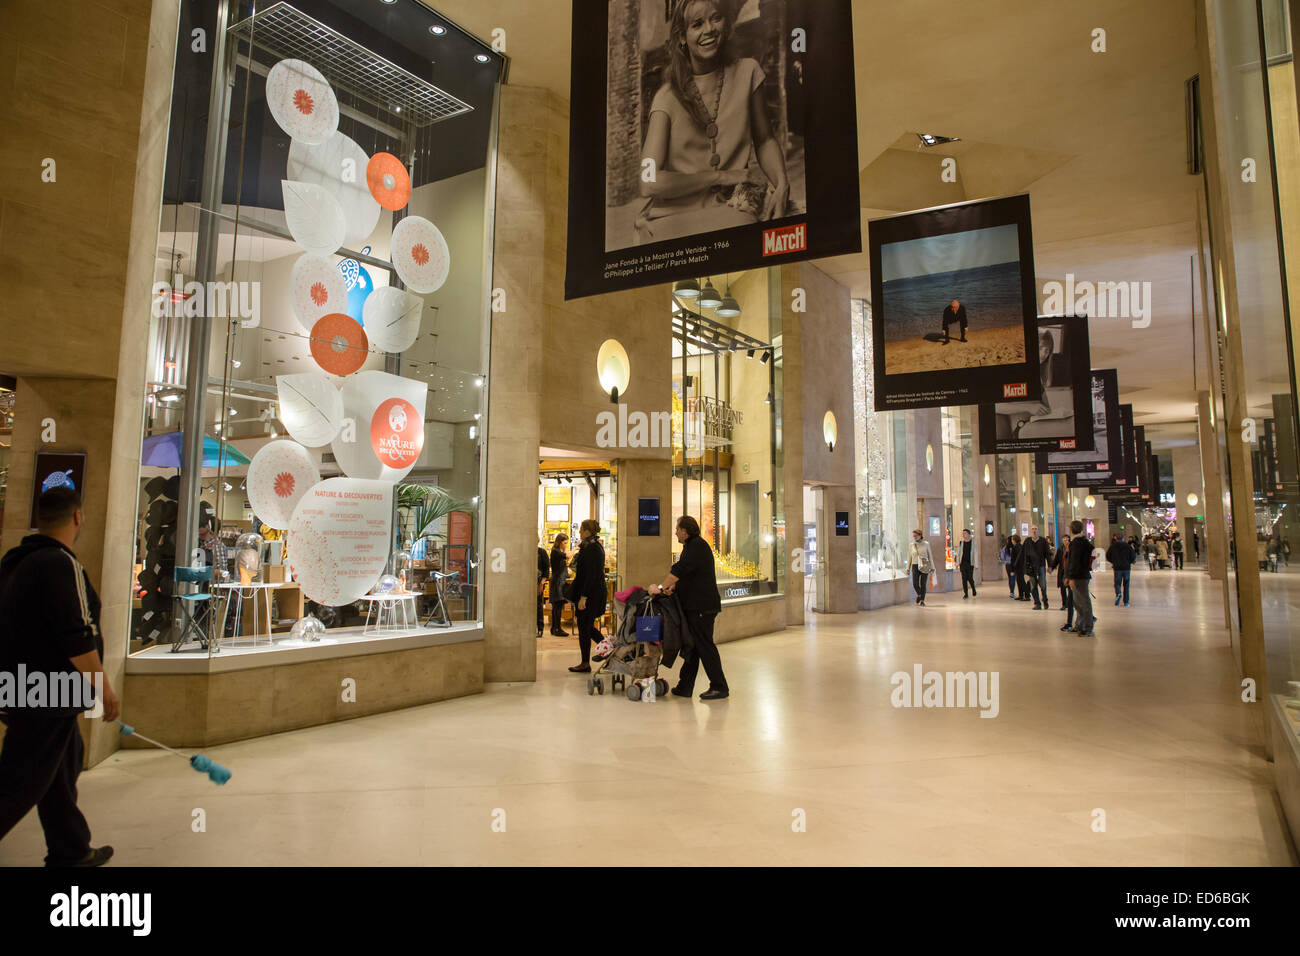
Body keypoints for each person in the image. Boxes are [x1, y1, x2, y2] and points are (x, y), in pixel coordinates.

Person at [0, 487, 119, 866]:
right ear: (77, 517)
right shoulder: (59, 563)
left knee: (63, 766)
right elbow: (77, 634)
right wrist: (104, 689)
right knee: (20, 782)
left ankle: (70, 849)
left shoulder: (16, 562)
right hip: (47, 694)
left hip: (27, 688)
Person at [635, 0, 790, 245]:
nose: (709, 29)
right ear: (682, 37)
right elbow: (648, 180)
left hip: (733, 206)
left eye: (715, 18)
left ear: (726, 23)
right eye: (697, 24)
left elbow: (765, 140)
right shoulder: (666, 97)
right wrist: (721, 177)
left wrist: (781, 184)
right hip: (673, 218)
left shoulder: (748, 72)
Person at [650, 515, 728, 700]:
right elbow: (689, 575)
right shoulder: (692, 547)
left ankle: (719, 686)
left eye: (677, 529)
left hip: (702, 607)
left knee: (704, 646)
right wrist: (673, 588)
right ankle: (685, 686)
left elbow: (679, 570)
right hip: (697, 606)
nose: (675, 532)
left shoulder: (696, 547)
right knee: (693, 647)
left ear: (685, 531)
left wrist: (659, 588)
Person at [567, 521, 607, 673]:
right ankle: (607, 651)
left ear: (588, 531)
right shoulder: (589, 546)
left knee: (585, 627)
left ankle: (588, 661)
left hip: (591, 595)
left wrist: (584, 597)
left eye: (582, 530)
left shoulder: (593, 549)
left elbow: (592, 575)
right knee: (586, 627)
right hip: (590, 593)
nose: (579, 532)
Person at [1064, 520, 1095, 637]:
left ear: (1071, 530)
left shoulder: (1076, 543)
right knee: (1078, 602)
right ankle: (1080, 624)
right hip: (1083, 575)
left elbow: (1074, 561)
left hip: (1078, 577)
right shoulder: (1084, 541)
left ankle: (1087, 627)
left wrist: (1070, 577)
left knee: (1083, 602)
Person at [1049, 532, 1073, 632]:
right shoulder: (1060, 549)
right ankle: (1065, 604)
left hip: (1070, 573)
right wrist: (1052, 567)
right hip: (1062, 572)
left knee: (1070, 591)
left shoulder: (1072, 549)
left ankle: (1070, 604)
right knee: (1062, 589)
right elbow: (1056, 561)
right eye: (1064, 539)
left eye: (1067, 539)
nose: (1065, 541)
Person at [1022, 524, 1050, 610]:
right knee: (1033, 586)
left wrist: (1050, 565)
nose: (1034, 531)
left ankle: (1045, 600)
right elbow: (1023, 555)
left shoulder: (1043, 541)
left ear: (1038, 530)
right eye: (1033, 529)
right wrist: (1024, 569)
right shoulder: (1027, 541)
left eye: (1036, 529)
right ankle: (1037, 603)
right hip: (1031, 567)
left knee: (1043, 585)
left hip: (1041, 566)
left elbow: (1047, 554)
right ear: (1031, 531)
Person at [548, 533, 569, 637]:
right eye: (565, 543)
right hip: (558, 582)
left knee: (558, 606)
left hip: (559, 581)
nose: (566, 545)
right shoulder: (556, 551)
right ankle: (557, 628)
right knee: (557, 606)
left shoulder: (558, 551)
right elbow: (567, 556)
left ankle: (555, 628)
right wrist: (575, 549)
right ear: (560, 542)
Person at [1106, 533, 1135, 607]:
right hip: (1126, 568)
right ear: (1123, 538)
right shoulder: (1128, 546)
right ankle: (1126, 602)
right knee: (1126, 584)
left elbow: (1108, 556)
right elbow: (1133, 556)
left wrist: (1114, 561)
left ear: (1116, 538)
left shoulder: (1112, 546)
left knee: (1117, 583)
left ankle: (1118, 593)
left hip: (1117, 567)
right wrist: (1129, 562)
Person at [908, 530, 934, 606]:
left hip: (924, 565)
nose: (915, 537)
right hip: (915, 565)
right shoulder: (911, 545)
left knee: (923, 583)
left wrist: (932, 567)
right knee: (915, 583)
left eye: (916, 535)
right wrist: (907, 568)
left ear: (920, 535)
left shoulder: (926, 544)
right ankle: (919, 594)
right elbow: (909, 557)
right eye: (914, 536)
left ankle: (922, 600)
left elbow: (930, 556)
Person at [957, 529, 977, 598]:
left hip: (970, 563)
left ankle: (973, 589)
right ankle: (966, 593)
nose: (963, 535)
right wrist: (957, 563)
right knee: (964, 578)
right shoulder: (961, 543)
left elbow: (975, 553)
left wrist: (976, 564)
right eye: (963, 533)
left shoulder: (973, 542)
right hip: (963, 563)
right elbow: (959, 553)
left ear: (969, 534)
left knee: (970, 578)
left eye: (965, 533)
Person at [536, 541, 549, 639]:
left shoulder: (541, 552)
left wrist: (541, 583)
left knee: (538, 605)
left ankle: (540, 628)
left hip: (539, 581)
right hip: (528, 582)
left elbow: (546, 570)